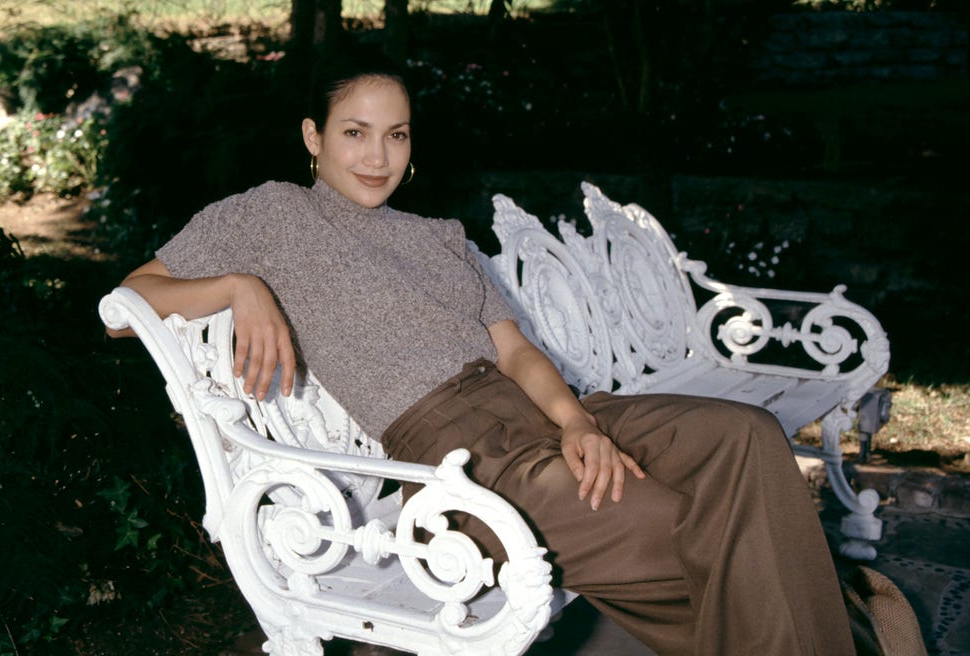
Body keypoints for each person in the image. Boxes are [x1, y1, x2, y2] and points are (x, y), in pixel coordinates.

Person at [109, 53, 856, 656]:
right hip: (457, 463)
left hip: (544, 415)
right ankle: (842, 625)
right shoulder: (270, 213)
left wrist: (577, 425)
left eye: (397, 135)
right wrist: (242, 285)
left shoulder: (438, 235)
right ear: (313, 135)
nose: (378, 156)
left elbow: (518, 353)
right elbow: (126, 304)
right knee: (688, 525)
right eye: (355, 133)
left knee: (746, 436)